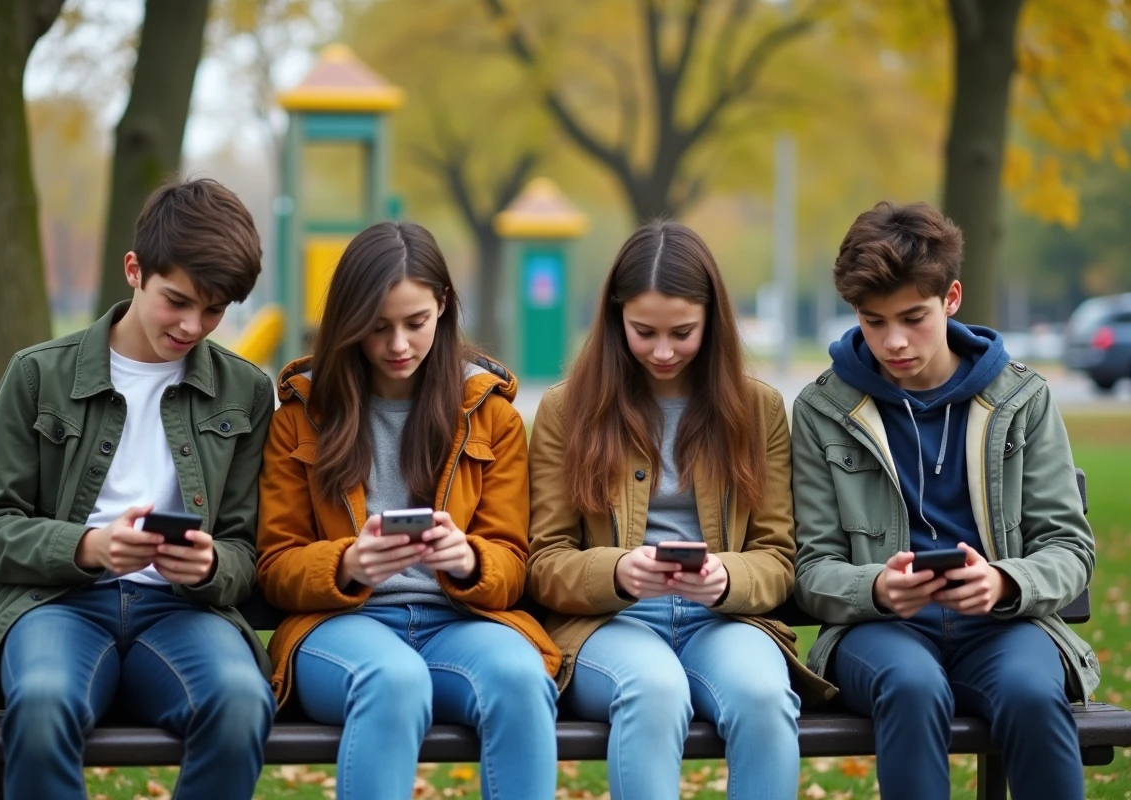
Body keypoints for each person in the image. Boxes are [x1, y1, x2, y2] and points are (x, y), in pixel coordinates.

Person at [0, 178, 277, 799]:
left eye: (213, 311)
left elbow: (246, 548)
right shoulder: (38, 373)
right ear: (135, 270)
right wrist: (88, 548)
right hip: (57, 606)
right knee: (45, 703)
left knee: (239, 703)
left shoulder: (244, 392)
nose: (192, 325)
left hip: (182, 613)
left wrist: (210, 565)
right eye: (176, 301)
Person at [792, 201, 1097, 800]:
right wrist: (877, 587)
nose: (894, 341)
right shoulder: (823, 408)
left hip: (1003, 627)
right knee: (910, 687)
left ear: (951, 298)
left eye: (913, 317)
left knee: (1035, 695)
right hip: (880, 630)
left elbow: (1069, 546)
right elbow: (810, 569)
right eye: (873, 321)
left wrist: (1004, 583)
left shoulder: (1023, 399)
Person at [255, 220, 561, 800]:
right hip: (340, 629)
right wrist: (348, 565)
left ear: (443, 306)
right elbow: (274, 564)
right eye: (377, 327)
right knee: (392, 680)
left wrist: (467, 559)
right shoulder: (302, 414)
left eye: (415, 323)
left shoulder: (490, 415)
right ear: (348, 323)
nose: (398, 345)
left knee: (521, 680)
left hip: (459, 625)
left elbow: (514, 561)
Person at [527, 220, 833, 800]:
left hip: (724, 621)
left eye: (683, 332)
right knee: (653, 689)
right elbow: (544, 561)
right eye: (644, 332)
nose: (663, 351)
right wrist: (618, 571)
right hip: (608, 625)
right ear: (616, 320)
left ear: (712, 321)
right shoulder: (568, 410)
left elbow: (777, 556)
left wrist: (725, 577)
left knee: (765, 698)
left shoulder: (756, 409)